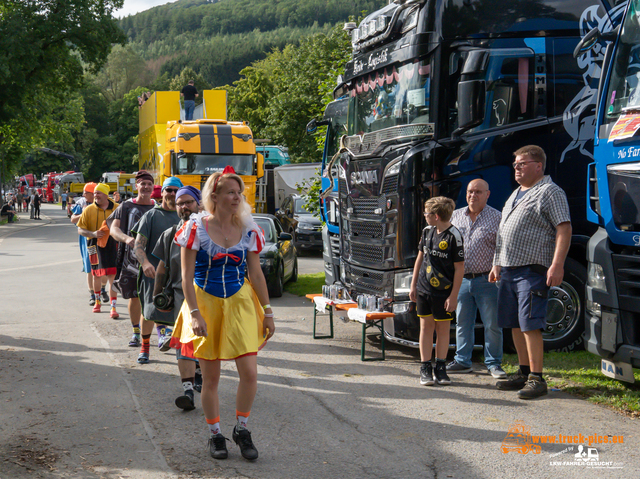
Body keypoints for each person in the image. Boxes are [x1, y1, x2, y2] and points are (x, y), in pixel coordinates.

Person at [171, 167, 275, 461]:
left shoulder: (250, 228)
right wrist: (194, 314)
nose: (237, 197)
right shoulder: (195, 228)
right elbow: (186, 277)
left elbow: (255, 273)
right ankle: (216, 435)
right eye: (231, 192)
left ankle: (242, 429)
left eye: (239, 192)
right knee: (212, 378)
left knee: (250, 374)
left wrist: (267, 311)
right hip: (204, 304)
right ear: (213, 196)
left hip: (241, 304)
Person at [489, 145, 571, 400]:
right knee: (513, 324)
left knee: (529, 324)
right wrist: (496, 263)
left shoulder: (550, 192)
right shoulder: (515, 195)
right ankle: (524, 373)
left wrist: (557, 265)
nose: (516, 168)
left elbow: (564, 229)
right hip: (509, 271)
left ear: (538, 165)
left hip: (531, 271)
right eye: (515, 164)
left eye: (522, 164)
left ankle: (537, 378)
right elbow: (502, 234)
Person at [448, 179, 506, 379]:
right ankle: (463, 360)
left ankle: (493, 364)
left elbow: (502, 248)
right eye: (470, 192)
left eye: (478, 192)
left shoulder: (497, 217)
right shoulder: (455, 217)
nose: (473, 196)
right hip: (461, 280)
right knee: (462, 322)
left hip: (487, 280)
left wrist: (497, 268)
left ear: (487, 194)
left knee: (492, 324)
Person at [152, 185, 202, 410]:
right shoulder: (170, 234)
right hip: (182, 299)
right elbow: (161, 269)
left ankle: (200, 373)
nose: (183, 206)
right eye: (180, 203)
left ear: (198, 204)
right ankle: (188, 391)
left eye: (188, 202)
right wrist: (157, 297)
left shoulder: (211, 231)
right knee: (184, 344)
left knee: (206, 344)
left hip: (209, 296)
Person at [409, 197, 464, 387]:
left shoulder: (454, 236)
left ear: (437, 216)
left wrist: (454, 296)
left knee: (442, 330)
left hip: (444, 293)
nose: (424, 216)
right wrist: (413, 284)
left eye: (427, 213)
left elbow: (459, 268)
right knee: (426, 327)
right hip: (424, 289)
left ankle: (440, 368)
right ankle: (425, 367)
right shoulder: (426, 232)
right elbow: (420, 258)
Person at [131, 176, 184, 364]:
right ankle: (145, 347)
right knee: (150, 312)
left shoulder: (185, 215)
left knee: (182, 313)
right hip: (153, 274)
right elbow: (138, 244)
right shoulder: (152, 215)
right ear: (162, 193)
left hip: (180, 276)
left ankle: (185, 355)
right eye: (168, 190)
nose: (172, 194)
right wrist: (145, 263)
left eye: (176, 190)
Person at [107, 171, 157, 346]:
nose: (146, 187)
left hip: (155, 259)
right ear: (136, 186)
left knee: (156, 295)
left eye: (149, 184)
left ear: (153, 187)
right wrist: (127, 238)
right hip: (131, 261)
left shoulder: (157, 206)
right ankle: (136, 331)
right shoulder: (126, 206)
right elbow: (113, 229)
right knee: (135, 297)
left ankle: (160, 332)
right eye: (142, 184)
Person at [77, 183, 120, 316]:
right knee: (96, 274)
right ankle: (97, 302)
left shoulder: (118, 209)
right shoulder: (88, 210)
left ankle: (113, 307)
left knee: (113, 275)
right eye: (95, 193)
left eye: (98, 193)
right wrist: (93, 234)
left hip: (113, 244)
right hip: (93, 245)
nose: (95, 195)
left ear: (106, 195)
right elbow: (80, 230)